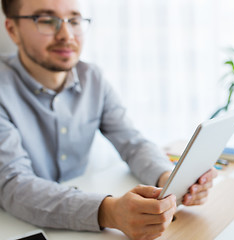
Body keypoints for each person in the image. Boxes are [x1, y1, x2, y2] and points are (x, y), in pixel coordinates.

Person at [0, 0, 217, 239]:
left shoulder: (92, 78)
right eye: (46, 21)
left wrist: (168, 179)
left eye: (74, 20)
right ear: (12, 30)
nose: (66, 34)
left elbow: (133, 143)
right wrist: (110, 212)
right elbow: (13, 184)